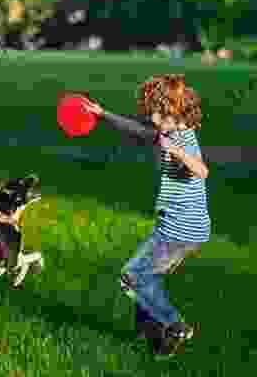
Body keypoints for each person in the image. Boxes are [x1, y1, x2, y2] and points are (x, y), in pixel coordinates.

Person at [79, 74, 210, 358]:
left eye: (156, 112)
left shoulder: (182, 139)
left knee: (132, 276)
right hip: (181, 227)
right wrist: (103, 115)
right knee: (147, 276)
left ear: (174, 112)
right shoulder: (170, 132)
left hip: (178, 231)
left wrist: (177, 152)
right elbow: (139, 132)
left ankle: (174, 326)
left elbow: (202, 170)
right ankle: (153, 337)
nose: (151, 117)